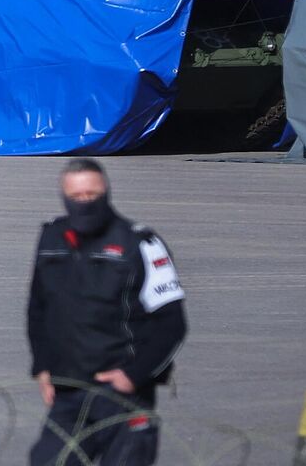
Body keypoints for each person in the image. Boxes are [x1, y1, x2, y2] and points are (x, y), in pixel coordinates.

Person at [27, 158, 187, 466]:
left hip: (121, 394)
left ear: (106, 192)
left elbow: (172, 323)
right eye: (77, 197)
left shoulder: (140, 243)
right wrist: (42, 366)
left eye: (92, 195)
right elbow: (38, 309)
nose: (85, 203)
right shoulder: (51, 239)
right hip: (68, 390)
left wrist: (134, 374)